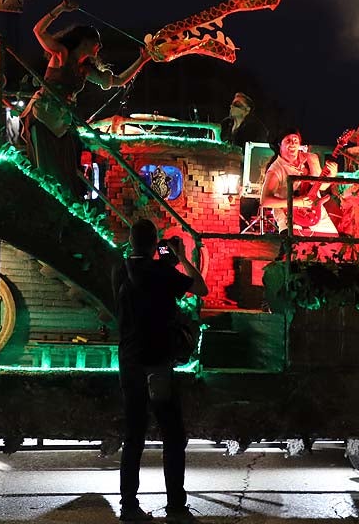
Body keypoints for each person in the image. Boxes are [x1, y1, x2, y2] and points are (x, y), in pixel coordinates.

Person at [111, 220, 208, 523]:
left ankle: (128, 506)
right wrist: (179, 257)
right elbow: (200, 287)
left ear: (130, 242)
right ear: (155, 244)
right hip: (158, 365)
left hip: (129, 362)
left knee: (134, 435)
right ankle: (176, 507)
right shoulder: (164, 272)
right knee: (172, 436)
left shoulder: (119, 271)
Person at [25, 0, 152, 197]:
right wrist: (60, 9)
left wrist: (142, 60)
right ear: (85, 41)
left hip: (62, 122)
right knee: (48, 170)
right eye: (97, 42)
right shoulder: (61, 54)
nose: (99, 46)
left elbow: (118, 81)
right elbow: (38, 31)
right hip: (44, 116)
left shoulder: (85, 69)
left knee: (65, 171)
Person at [259, 129, 338, 239]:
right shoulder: (275, 170)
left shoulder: (311, 158)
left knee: (333, 245)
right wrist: (297, 202)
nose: (292, 143)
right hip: (289, 215)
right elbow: (265, 201)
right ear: (279, 145)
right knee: (297, 249)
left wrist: (332, 175)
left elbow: (321, 186)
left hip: (315, 210)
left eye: (295, 140)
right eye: (288, 140)